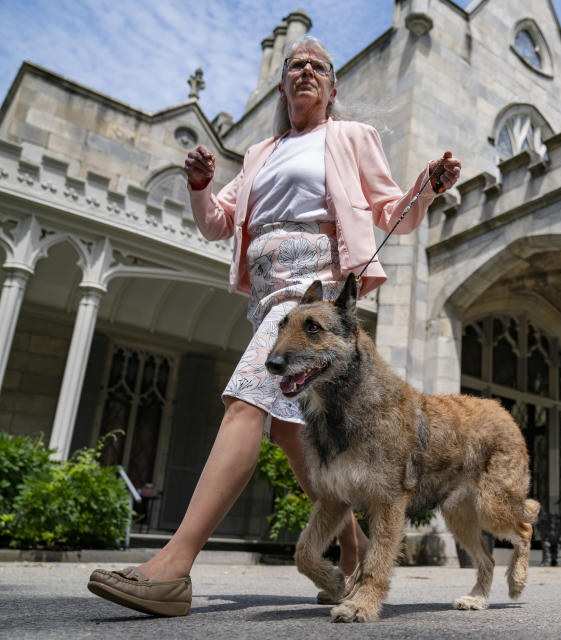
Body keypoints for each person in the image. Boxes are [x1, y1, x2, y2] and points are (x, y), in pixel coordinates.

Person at [87, 34, 461, 618]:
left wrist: (426, 185)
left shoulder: (350, 138)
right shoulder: (260, 153)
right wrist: (200, 185)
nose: (306, 70)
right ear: (283, 85)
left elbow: (395, 216)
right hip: (268, 305)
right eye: (296, 65)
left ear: (332, 89)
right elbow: (217, 224)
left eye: (318, 66)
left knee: (245, 403)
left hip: (313, 306)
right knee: (295, 436)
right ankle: (354, 556)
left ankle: (173, 568)